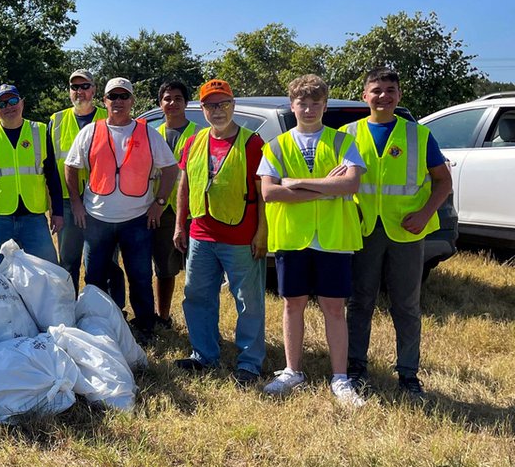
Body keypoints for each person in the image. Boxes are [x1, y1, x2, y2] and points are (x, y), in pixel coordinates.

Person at [258, 74, 366, 406]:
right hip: (292, 238)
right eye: (302, 103)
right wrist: (322, 188)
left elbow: (349, 186)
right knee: (293, 305)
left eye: (315, 103)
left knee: (334, 308)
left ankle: (340, 378)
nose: (308, 109)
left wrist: (298, 183)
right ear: (292, 106)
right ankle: (293, 371)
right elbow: (270, 192)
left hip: (333, 237)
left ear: (325, 105)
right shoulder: (275, 146)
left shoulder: (343, 142)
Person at [345, 68, 452, 401]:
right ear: (365, 96)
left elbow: (443, 182)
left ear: (399, 95)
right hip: (363, 230)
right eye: (376, 90)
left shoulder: (418, 135)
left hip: (406, 231)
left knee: (406, 306)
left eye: (390, 90)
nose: (383, 96)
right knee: (360, 302)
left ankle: (408, 375)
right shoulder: (347, 134)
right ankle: (355, 368)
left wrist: (425, 213)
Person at [65, 78, 178, 339]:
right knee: (94, 277)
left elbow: (171, 169)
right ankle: (96, 325)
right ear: (104, 101)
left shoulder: (148, 132)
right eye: (112, 96)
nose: (118, 101)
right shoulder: (91, 132)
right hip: (97, 219)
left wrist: (159, 204)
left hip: (137, 219)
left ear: (132, 101)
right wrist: (76, 203)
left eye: (123, 96)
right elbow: (71, 167)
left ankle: (145, 326)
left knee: (139, 275)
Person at [172, 80, 268, 385]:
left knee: (248, 301)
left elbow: (262, 192)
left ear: (233, 104)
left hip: (240, 236)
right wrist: (179, 224)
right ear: (202, 109)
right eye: (211, 105)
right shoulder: (194, 142)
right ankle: (204, 355)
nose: (218, 110)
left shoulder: (252, 143)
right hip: (201, 233)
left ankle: (250, 363)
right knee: (197, 296)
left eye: (223, 103)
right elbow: (184, 185)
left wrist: (262, 232)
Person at [0, 84, 64, 269]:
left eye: (13, 101)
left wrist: (58, 211)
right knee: (5, 276)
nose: (9, 107)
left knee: (48, 271)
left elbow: (52, 175)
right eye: (2, 104)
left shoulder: (39, 130)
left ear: (22, 103)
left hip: (34, 217)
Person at [48, 69, 107, 289]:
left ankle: (106, 310)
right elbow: (50, 167)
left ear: (94, 89)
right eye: (75, 87)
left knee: (104, 260)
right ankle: (69, 308)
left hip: (102, 201)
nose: (79, 91)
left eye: (84, 86)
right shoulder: (57, 120)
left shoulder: (107, 116)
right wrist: (54, 208)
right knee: (68, 261)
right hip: (66, 201)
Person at [152, 81, 198, 328]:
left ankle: (196, 320)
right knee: (164, 268)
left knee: (196, 271)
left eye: (178, 98)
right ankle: (163, 316)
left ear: (186, 103)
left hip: (192, 211)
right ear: (160, 103)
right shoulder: (151, 134)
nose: (172, 103)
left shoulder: (199, 134)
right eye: (167, 98)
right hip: (161, 209)